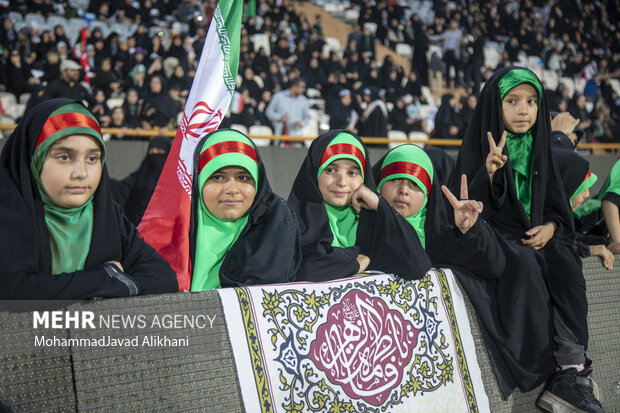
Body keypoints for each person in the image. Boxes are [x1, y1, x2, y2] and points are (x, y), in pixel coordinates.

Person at [451, 67, 604, 412]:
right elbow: (465, 212)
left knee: (565, 260)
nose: (524, 110)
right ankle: (546, 369)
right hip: (494, 237)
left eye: (532, 102)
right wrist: (488, 173)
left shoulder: (540, 149)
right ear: (495, 106)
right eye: (513, 101)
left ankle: (571, 369)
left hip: (536, 235)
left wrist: (550, 227)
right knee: (526, 263)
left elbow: (556, 206)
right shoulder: (479, 145)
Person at [0, 99, 178, 299]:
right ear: (33, 159)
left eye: (92, 158)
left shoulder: (107, 215)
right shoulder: (8, 212)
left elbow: (163, 278)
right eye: (64, 157)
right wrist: (106, 277)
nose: (81, 173)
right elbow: (13, 290)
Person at [287, 129, 431, 282]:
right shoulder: (292, 220)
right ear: (315, 173)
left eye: (352, 173)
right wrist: (353, 264)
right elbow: (301, 270)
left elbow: (417, 266)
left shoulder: (372, 222)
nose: (342, 182)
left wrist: (379, 204)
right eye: (330, 170)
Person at [189, 129, 301, 290]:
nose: (232, 189)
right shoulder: (172, 231)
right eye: (217, 177)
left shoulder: (274, 227)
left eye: (243, 178)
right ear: (199, 180)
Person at [373, 144, 505, 278]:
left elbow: (493, 266)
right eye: (394, 179)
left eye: (415, 184)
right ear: (378, 183)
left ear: (426, 196)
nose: (404, 190)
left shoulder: (439, 237)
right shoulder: (359, 226)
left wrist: (472, 230)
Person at [554, 149, 613, 269]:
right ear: (568, 187)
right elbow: (559, 245)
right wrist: (590, 250)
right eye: (582, 188)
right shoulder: (549, 219)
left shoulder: (564, 215)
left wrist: (603, 242)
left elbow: (575, 238)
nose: (587, 194)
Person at [111, 137, 171, 226]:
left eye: (159, 150)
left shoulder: (174, 180)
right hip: (138, 227)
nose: (154, 153)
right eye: (151, 150)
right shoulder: (141, 174)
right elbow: (123, 189)